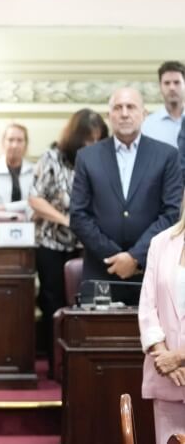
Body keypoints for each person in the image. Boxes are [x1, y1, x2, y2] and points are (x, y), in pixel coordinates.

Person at [70, 88, 183, 305]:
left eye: (131, 107)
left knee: (154, 338)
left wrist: (135, 258)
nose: (124, 113)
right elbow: (79, 215)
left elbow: (171, 214)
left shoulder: (167, 156)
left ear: (144, 114)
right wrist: (117, 257)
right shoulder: (87, 157)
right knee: (97, 339)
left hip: (153, 272)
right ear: (109, 115)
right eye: (117, 108)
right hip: (101, 273)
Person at [28, 109, 108, 377]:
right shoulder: (52, 158)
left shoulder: (101, 160)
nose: (92, 145)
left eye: (98, 139)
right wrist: (65, 220)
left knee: (83, 303)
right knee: (53, 302)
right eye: (88, 139)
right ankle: (56, 365)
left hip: (87, 244)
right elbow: (35, 199)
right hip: (51, 242)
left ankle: (80, 365)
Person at [138, 200, 185, 444]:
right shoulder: (162, 242)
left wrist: (178, 357)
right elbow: (147, 307)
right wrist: (164, 355)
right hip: (167, 376)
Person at [0, 123, 34, 216]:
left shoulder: (34, 171)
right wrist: (26, 204)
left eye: (20, 140)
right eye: (10, 140)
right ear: (3, 142)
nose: (14, 145)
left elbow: (36, 206)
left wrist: (3, 207)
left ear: (26, 144)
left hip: (29, 226)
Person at [143, 61, 185, 148]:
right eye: (167, 83)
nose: (172, 88)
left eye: (177, 82)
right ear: (160, 86)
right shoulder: (147, 125)